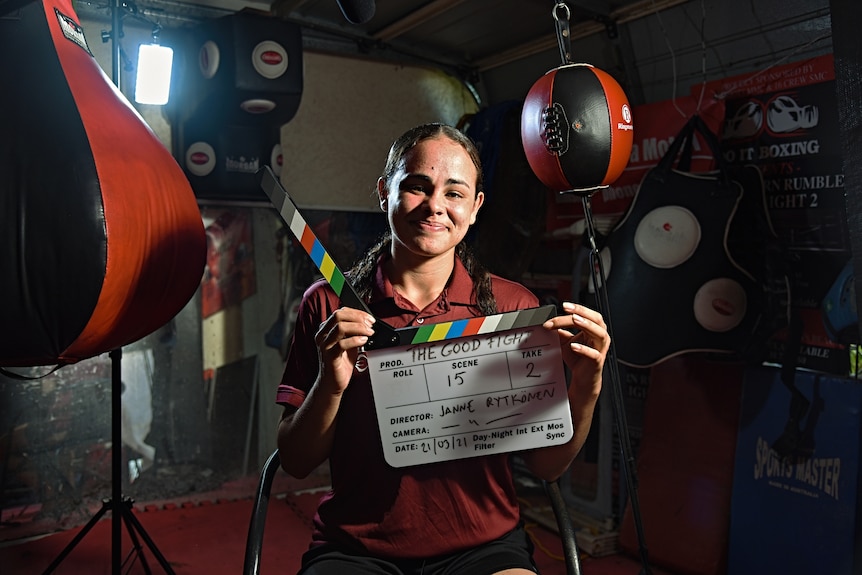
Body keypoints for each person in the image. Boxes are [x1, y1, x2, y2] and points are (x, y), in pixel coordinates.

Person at [275, 122, 610, 575]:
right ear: (384, 191)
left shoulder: (513, 308)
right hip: (356, 546)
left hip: (484, 544)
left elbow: (546, 467)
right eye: (417, 186)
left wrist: (587, 385)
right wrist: (330, 385)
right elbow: (296, 461)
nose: (435, 206)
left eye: (454, 193)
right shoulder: (328, 304)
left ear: (475, 208)